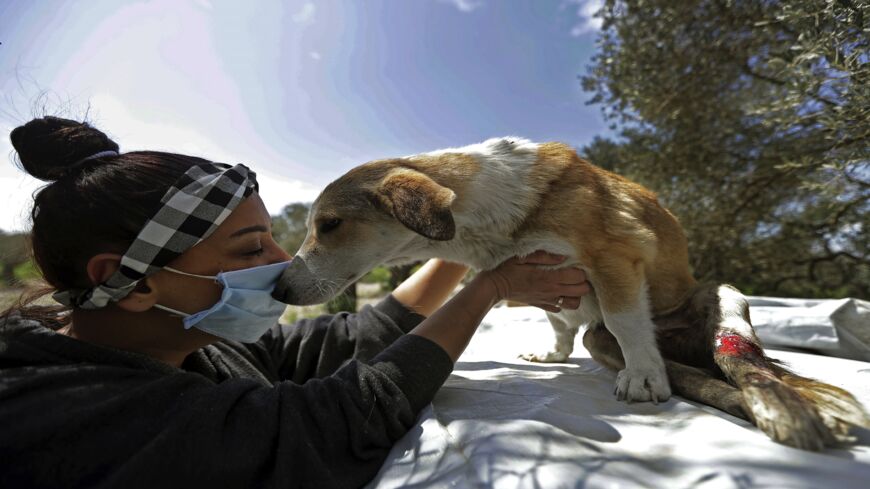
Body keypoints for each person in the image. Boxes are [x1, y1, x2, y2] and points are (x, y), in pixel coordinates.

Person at [0, 116, 590, 488]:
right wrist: (493, 288)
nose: (283, 264)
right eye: (251, 246)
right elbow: (331, 425)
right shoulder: (69, 417)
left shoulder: (186, 344)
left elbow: (350, 339)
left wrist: (464, 238)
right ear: (135, 281)